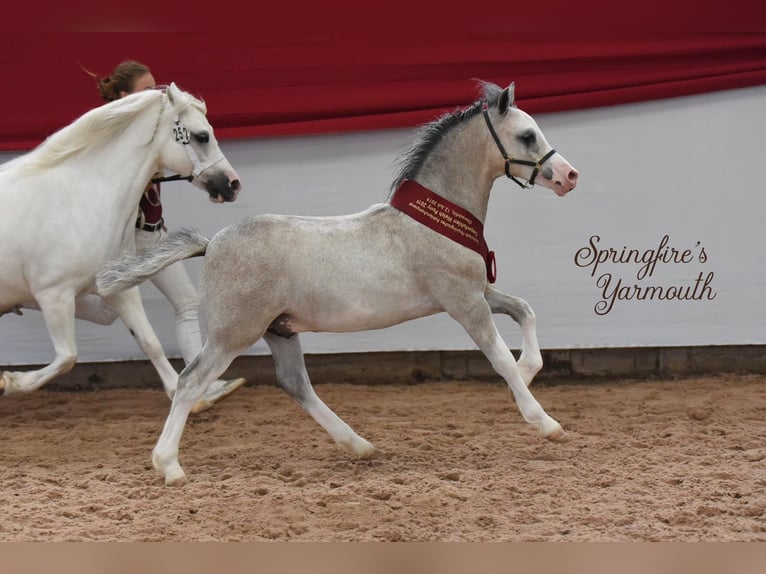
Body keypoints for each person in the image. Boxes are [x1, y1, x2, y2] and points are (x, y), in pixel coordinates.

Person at [73, 60, 245, 411]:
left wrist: (208, 180)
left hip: (156, 235)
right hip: (131, 242)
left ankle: (200, 382)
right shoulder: (114, 140)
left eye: (156, 89)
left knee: (185, 303)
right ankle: (38, 298)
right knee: (114, 313)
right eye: (145, 91)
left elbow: (190, 157)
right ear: (123, 97)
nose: (156, 96)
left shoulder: (155, 132)